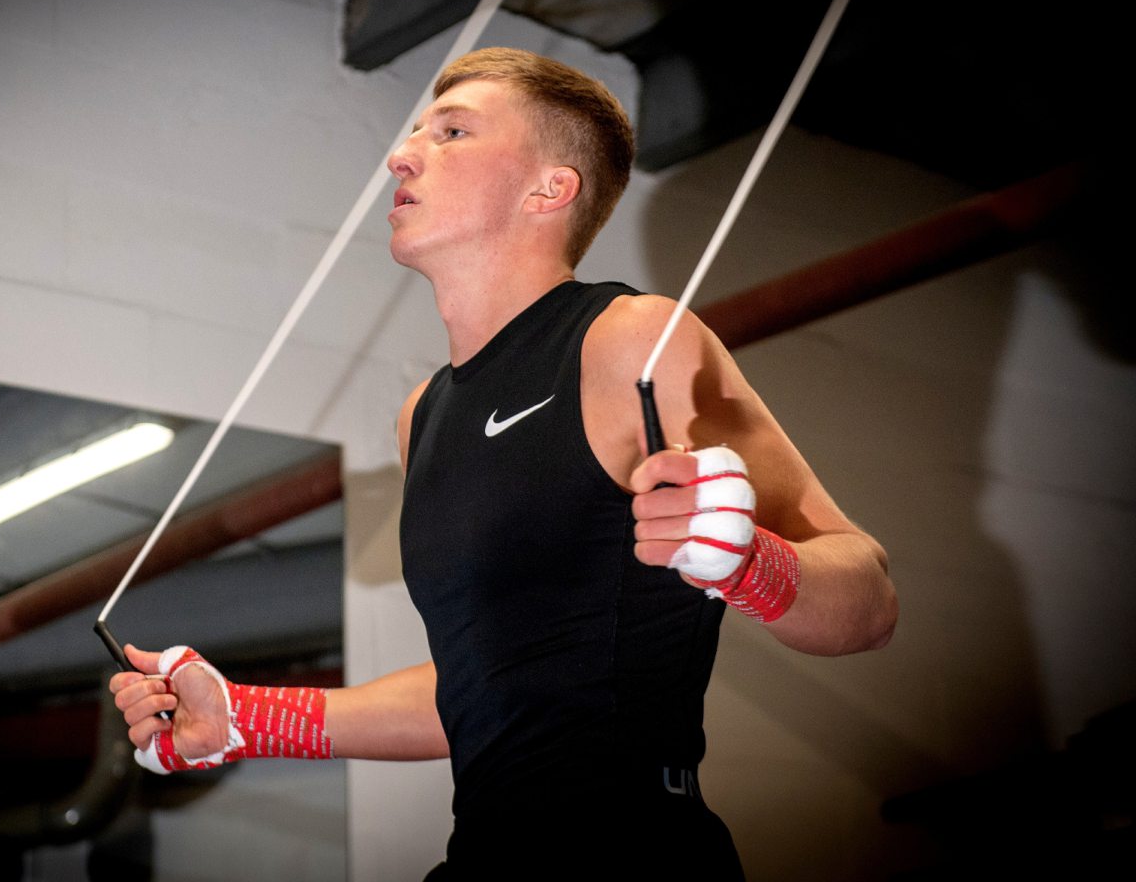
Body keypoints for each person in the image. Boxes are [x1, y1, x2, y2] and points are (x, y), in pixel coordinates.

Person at [110, 48, 898, 878]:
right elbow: (484, 690)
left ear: (549, 189)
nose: (401, 154)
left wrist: (748, 560)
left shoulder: (627, 337)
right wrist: (249, 718)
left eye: (451, 132)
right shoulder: (426, 415)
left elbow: (871, 599)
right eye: (416, 131)